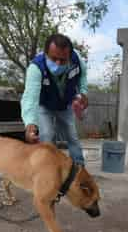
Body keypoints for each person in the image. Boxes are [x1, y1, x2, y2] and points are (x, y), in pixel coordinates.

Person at [21, 34, 88, 166]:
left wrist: (83, 93)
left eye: (63, 60)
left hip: (65, 104)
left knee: (72, 136)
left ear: (69, 56)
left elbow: (83, 77)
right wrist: (30, 123)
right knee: (46, 135)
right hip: (44, 105)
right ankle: (49, 169)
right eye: (53, 59)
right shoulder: (36, 67)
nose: (58, 63)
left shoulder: (77, 60)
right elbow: (30, 98)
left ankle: (79, 168)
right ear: (46, 53)